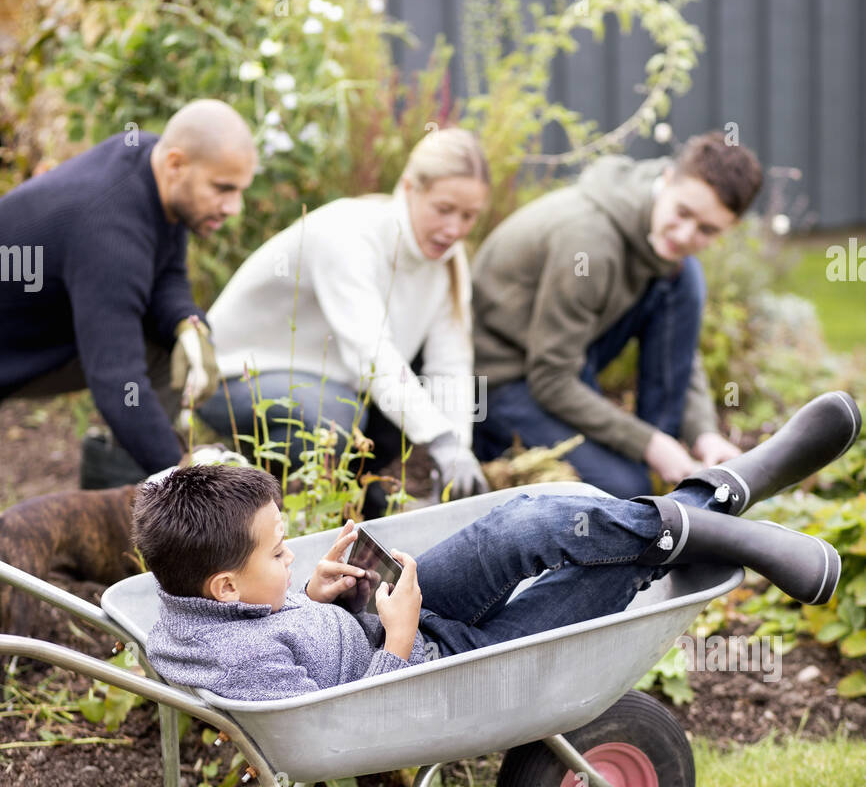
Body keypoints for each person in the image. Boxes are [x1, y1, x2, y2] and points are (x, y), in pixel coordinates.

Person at [132, 392, 859, 702]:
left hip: (386, 622)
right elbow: (332, 724)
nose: (291, 556)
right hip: (433, 671)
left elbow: (264, 619)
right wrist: (400, 637)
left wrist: (306, 593)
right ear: (226, 585)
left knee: (531, 520)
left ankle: (722, 501)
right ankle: (725, 500)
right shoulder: (236, 661)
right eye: (279, 554)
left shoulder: (202, 596)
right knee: (603, 577)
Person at [197, 127, 491, 515]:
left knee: (396, 398)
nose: (454, 229)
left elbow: (450, 364)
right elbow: (369, 354)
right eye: (443, 209)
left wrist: (457, 449)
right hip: (234, 377)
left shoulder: (448, 260)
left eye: (468, 216)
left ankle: (363, 507)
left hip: (335, 385)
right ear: (408, 188)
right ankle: (274, 517)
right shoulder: (348, 234)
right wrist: (438, 440)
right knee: (334, 417)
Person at [471, 131, 764, 498]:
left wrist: (703, 433)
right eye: (683, 213)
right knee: (623, 492)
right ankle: (651, 466)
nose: (687, 233)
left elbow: (680, 351)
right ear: (668, 178)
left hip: (563, 363)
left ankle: (668, 465)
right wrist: (647, 444)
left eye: (708, 230)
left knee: (684, 276)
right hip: (500, 382)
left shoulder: (661, 240)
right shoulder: (589, 244)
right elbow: (550, 379)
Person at [0, 100, 257, 481]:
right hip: (13, 348)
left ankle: (124, 502)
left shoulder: (152, 167)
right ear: (176, 164)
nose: (234, 207)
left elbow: (165, 271)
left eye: (239, 191)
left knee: (167, 345)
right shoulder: (110, 232)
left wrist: (188, 324)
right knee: (130, 378)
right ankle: (147, 497)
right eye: (223, 188)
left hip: (44, 325)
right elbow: (118, 381)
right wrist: (184, 474)